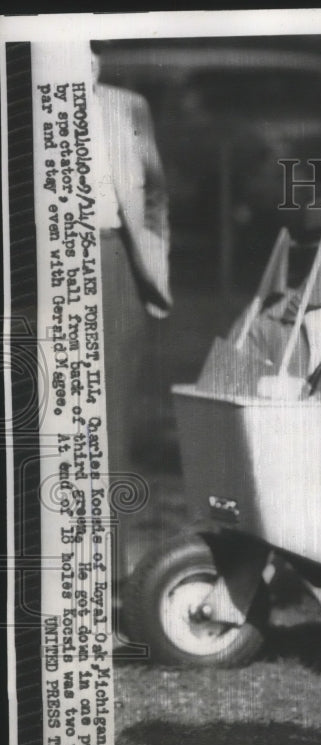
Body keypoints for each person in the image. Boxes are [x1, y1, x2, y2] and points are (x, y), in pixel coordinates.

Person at [90, 42, 172, 585]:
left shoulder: (125, 105)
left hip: (112, 260)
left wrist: (152, 261)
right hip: (33, 267)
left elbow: (157, 194)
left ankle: (107, 570)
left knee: (110, 421)